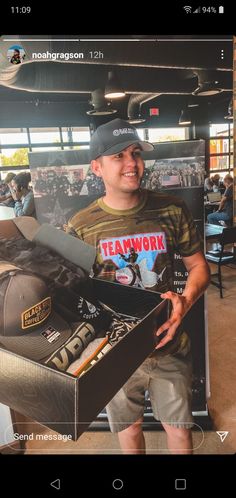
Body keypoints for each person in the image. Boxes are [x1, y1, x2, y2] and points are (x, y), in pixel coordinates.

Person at [66, 118, 210, 454]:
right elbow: (74, 292)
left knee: (180, 432)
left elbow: (198, 266)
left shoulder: (172, 209)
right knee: (128, 432)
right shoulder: (80, 225)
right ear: (96, 167)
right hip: (114, 354)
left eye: (135, 153)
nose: (132, 163)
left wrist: (185, 301)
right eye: (118, 156)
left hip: (169, 344)